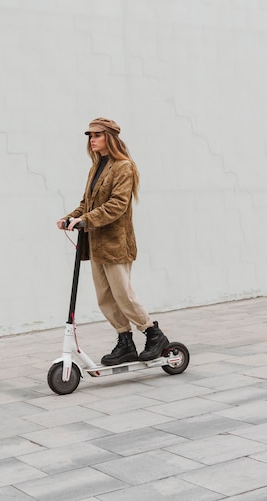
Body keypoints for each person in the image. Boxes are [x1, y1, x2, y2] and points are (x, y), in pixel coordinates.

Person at [56, 117, 169, 366]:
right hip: (96, 243)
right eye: (89, 135)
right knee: (105, 297)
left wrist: (86, 219)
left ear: (110, 137)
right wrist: (71, 217)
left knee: (123, 294)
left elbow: (117, 205)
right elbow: (87, 203)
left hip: (116, 243)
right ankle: (125, 341)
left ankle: (153, 334)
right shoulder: (97, 166)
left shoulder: (123, 166)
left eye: (96, 135)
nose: (91, 139)